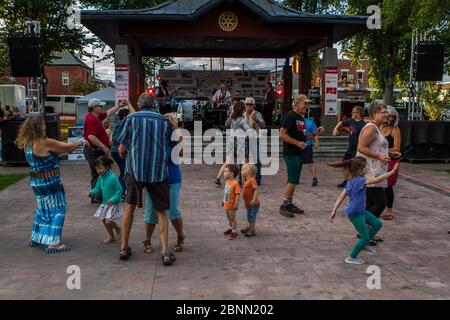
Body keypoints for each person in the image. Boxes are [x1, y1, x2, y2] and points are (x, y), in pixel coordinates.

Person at [117, 93, 176, 265]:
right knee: (161, 211)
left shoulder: (131, 118)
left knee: (129, 207)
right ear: (154, 104)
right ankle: (165, 252)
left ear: (139, 104)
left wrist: (127, 154)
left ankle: (123, 247)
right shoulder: (164, 121)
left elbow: (121, 147)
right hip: (158, 172)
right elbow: (171, 144)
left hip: (134, 171)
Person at [16, 115, 83, 253]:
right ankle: (53, 243)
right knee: (59, 208)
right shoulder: (45, 142)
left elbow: (45, 158)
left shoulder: (27, 143)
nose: (45, 126)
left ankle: (37, 237)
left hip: (36, 181)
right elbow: (68, 147)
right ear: (40, 126)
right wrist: (81, 142)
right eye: (43, 124)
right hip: (49, 181)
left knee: (43, 208)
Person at [329, 156, 399, 265]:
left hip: (360, 212)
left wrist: (334, 210)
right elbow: (377, 180)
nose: (366, 171)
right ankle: (351, 257)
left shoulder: (350, 181)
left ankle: (363, 243)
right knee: (365, 236)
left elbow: (340, 197)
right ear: (359, 171)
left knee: (377, 224)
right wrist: (392, 172)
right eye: (364, 169)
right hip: (355, 214)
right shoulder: (360, 181)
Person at [143, 121, 185, 254]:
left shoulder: (173, 141)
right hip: (154, 180)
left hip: (172, 179)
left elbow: (182, 151)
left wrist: (176, 127)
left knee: (173, 211)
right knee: (151, 212)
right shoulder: (153, 140)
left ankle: (180, 236)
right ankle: (147, 240)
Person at [356, 100, 390, 244]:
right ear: (375, 113)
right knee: (380, 203)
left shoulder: (376, 127)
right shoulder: (371, 128)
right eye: (384, 112)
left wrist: (390, 153)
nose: (387, 114)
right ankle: (366, 233)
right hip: (370, 172)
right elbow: (360, 148)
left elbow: (375, 147)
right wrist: (379, 156)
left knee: (370, 204)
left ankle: (365, 233)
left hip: (375, 171)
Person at [83, 98, 120, 203]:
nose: (101, 107)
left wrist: (118, 106)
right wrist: (104, 147)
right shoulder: (91, 119)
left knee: (99, 173)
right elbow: (91, 136)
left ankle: (97, 196)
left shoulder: (96, 117)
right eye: (99, 106)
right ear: (94, 107)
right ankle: (98, 196)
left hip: (96, 151)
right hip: (94, 151)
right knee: (101, 172)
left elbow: (108, 113)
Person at [279, 94, 309, 218]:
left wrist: (314, 134)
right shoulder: (290, 116)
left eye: (307, 104)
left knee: (294, 181)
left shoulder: (300, 118)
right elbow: (282, 134)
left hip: (298, 153)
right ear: (296, 103)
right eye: (304, 103)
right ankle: (284, 205)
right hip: (291, 153)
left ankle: (289, 204)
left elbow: (302, 137)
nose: (306, 106)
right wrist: (297, 143)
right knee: (292, 180)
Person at [89, 156, 123, 244]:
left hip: (113, 203)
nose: (98, 171)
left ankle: (118, 229)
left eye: (100, 168)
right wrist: (91, 192)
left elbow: (120, 190)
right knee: (104, 220)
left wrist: (113, 199)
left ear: (107, 167)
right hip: (105, 203)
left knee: (108, 221)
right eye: (97, 169)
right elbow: (97, 189)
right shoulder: (100, 178)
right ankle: (111, 236)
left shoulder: (113, 178)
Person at [214, 101, 249, 185]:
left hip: (231, 139)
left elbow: (226, 124)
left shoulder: (232, 117)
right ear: (242, 109)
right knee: (243, 161)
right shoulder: (242, 119)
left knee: (228, 161)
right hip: (240, 140)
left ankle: (218, 178)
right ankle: (244, 182)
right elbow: (247, 128)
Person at [332, 106, 366, 188]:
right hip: (350, 147)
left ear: (359, 113)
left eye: (353, 112)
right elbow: (341, 122)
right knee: (344, 164)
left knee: (354, 166)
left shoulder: (363, 125)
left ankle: (355, 182)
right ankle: (345, 181)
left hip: (357, 148)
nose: (352, 113)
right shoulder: (351, 120)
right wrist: (335, 129)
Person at [111, 100, 135, 199]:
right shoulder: (121, 124)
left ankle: (120, 192)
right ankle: (120, 193)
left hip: (116, 151)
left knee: (123, 171)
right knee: (124, 171)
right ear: (126, 116)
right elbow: (117, 138)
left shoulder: (118, 123)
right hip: (118, 151)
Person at [381, 106, 402, 220]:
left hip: (391, 161)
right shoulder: (378, 127)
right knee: (375, 185)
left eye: (392, 117)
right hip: (379, 160)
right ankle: (375, 207)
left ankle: (389, 211)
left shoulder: (395, 130)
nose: (389, 118)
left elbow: (397, 149)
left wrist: (383, 151)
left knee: (388, 186)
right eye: (388, 115)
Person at [243, 97, 265, 185]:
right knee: (245, 160)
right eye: (247, 104)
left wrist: (256, 120)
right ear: (244, 105)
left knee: (257, 159)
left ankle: (258, 178)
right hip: (245, 138)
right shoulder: (242, 114)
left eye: (251, 104)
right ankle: (245, 178)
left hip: (255, 138)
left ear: (254, 105)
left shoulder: (257, 114)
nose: (249, 106)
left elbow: (263, 125)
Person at [222, 164, 241, 240]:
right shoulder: (227, 182)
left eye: (225, 171)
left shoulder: (235, 183)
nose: (224, 172)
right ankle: (231, 228)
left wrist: (236, 203)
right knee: (228, 217)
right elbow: (226, 193)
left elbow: (238, 194)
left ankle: (234, 231)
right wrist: (223, 200)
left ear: (231, 173)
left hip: (232, 205)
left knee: (232, 218)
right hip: (226, 203)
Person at [241, 164, 260, 237]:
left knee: (252, 216)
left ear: (249, 172)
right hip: (249, 203)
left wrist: (254, 199)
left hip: (253, 203)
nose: (241, 171)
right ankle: (249, 227)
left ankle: (252, 230)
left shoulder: (252, 180)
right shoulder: (247, 179)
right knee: (249, 215)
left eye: (243, 170)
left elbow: (255, 190)